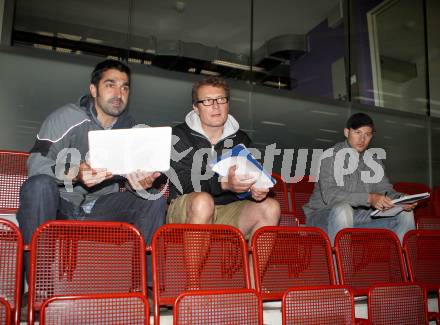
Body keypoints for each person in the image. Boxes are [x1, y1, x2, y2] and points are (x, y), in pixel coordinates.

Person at [17, 59, 167, 284]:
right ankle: (39, 285)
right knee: (38, 186)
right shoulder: (65, 118)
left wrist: (141, 184)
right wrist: (75, 174)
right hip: (62, 205)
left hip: (102, 206)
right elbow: (36, 165)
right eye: (110, 85)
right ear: (93, 89)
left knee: (153, 199)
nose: (119, 93)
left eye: (125, 87)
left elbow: (134, 179)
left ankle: (142, 287)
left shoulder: (131, 130)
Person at [167, 76, 280, 238]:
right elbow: (184, 182)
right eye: (207, 101)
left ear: (227, 104)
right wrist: (224, 184)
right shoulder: (178, 136)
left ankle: (251, 265)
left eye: (221, 99)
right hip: (187, 206)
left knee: (271, 207)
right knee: (203, 202)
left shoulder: (241, 139)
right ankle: (193, 265)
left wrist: (255, 191)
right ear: (196, 108)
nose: (215, 106)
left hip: (228, 209)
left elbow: (250, 176)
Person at [303, 112, 416, 244]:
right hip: (322, 215)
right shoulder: (330, 157)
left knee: (404, 213)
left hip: (356, 217)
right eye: (358, 132)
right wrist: (369, 198)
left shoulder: (374, 161)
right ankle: (343, 264)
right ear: (347, 132)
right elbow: (330, 195)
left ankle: (405, 264)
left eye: (367, 135)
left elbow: (385, 190)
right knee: (343, 209)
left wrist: (402, 199)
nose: (362, 139)